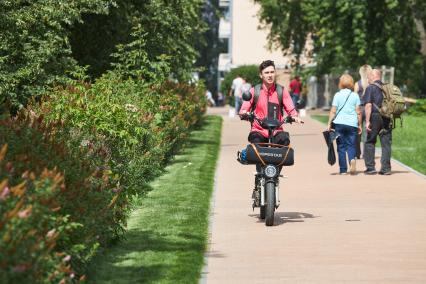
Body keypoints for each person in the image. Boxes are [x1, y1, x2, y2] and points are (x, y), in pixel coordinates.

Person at [239, 60, 302, 148]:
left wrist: (295, 116)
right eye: (266, 73)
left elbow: (291, 109)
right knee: (256, 145)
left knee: (284, 141)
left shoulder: (281, 91)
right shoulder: (254, 91)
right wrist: (246, 114)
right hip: (258, 130)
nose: (270, 75)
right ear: (261, 75)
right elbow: (243, 110)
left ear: (275, 73)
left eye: (272, 72)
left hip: (277, 130)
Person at [327, 74, 362, 175]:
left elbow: (333, 111)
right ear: (351, 83)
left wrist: (329, 123)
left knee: (341, 146)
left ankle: (343, 170)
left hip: (339, 124)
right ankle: (352, 159)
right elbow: (358, 111)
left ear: (340, 83)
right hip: (352, 124)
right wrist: (359, 125)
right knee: (351, 145)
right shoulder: (355, 95)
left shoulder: (337, 95)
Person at [363, 69, 392, 175]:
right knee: (386, 143)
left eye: (368, 77)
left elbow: (368, 105)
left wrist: (367, 121)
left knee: (370, 141)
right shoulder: (387, 88)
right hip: (387, 117)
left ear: (373, 76)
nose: (367, 79)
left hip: (375, 116)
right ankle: (386, 169)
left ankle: (370, 168)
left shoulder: (370, 88)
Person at [353, 64, 372, 159]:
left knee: (358, 131)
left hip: (359, 109)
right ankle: (366, 153)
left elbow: (354, 98)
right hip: (369, 109)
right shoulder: (371, 84)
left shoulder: (357, 84)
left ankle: (357, 153)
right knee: (367, 131)